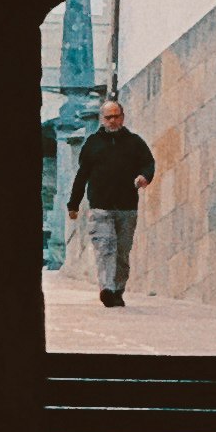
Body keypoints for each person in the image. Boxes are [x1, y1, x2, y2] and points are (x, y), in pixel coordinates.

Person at [68, 95, 156, 305]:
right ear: (102, 119)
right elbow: (82, 175)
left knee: (122, 254)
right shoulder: (92, 144)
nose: (112, 121)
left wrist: (145, 176)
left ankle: (117, 290)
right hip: (100, 208)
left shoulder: (135, 142)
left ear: (123, 117)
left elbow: (148, 163)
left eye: (116, 117)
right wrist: (73, 204)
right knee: (105, 248)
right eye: (108, 117)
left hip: (127, 208)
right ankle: (107, 289)